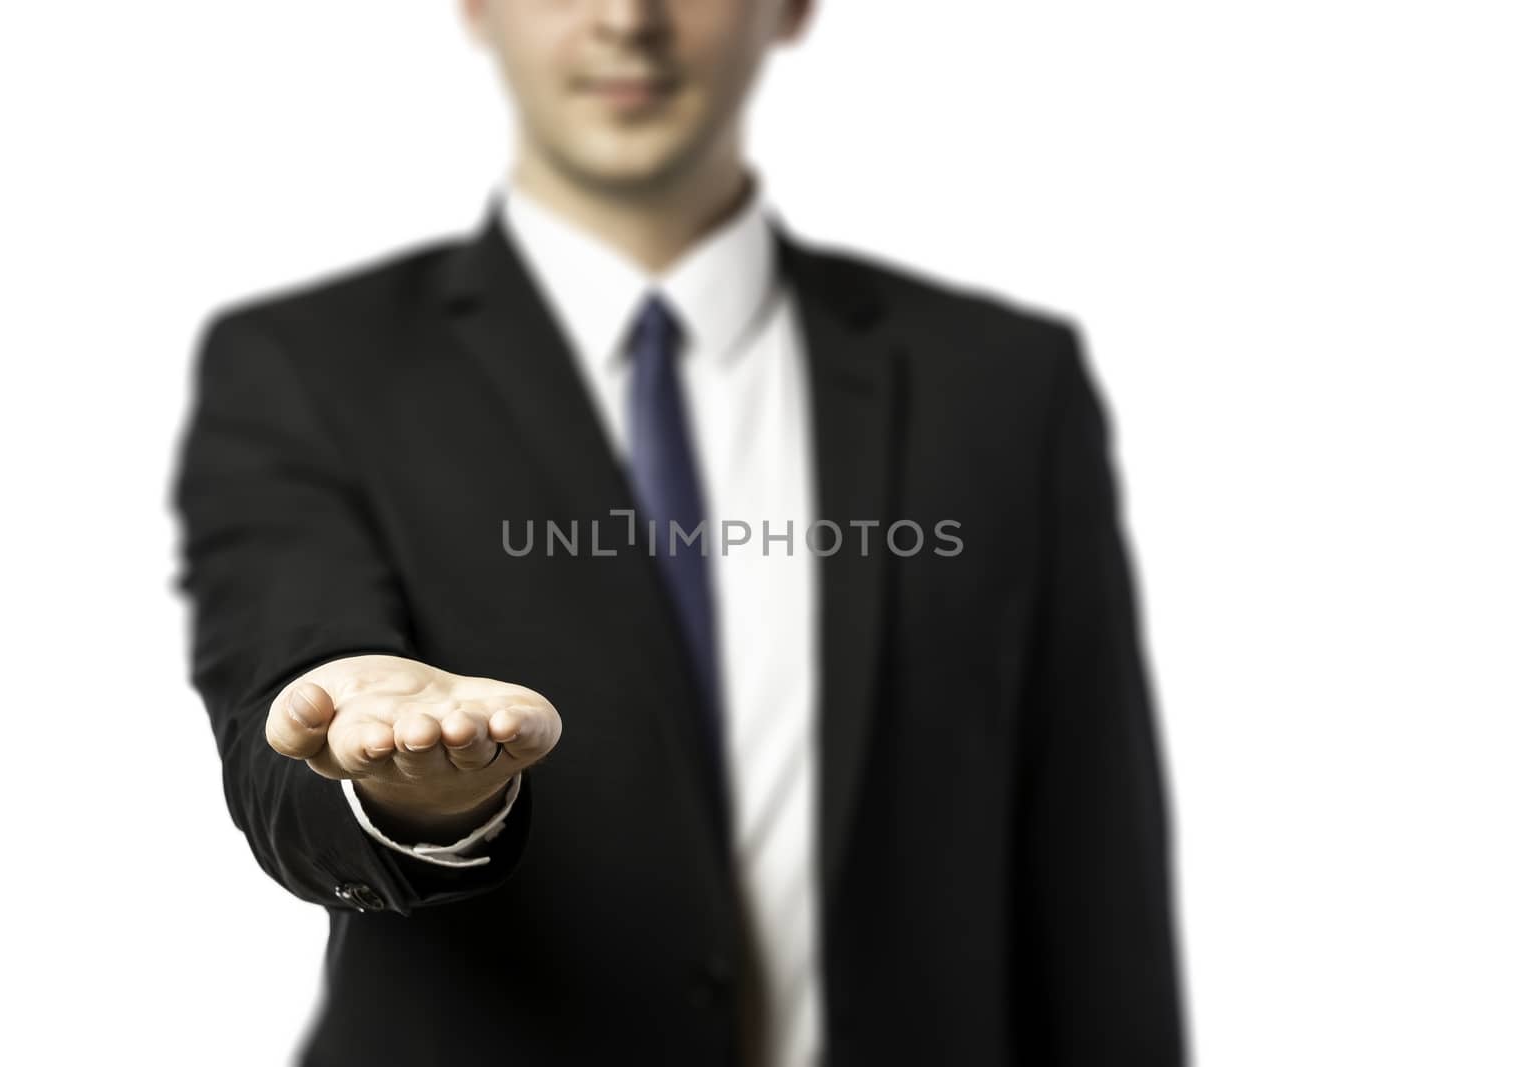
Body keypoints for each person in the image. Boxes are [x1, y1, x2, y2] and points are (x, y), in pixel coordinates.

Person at [170, 1, 1187, 1064]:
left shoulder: (1004, 387)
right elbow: (285, 713)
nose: (627, 20)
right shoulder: (306, 367)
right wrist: (398, 780)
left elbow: (1089, 862)